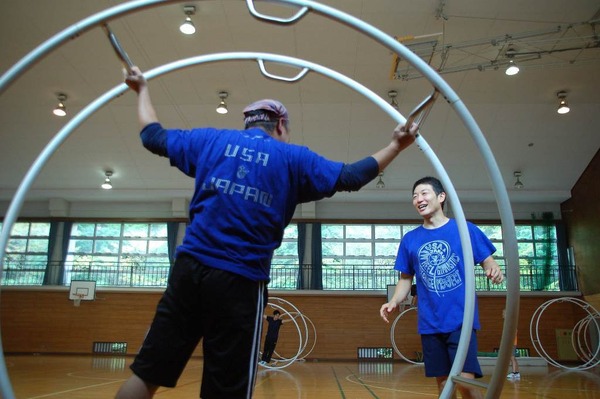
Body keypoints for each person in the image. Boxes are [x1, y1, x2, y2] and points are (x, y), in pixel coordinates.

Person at [116, 66, 418, 399]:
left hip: (188, 271)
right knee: (226, 391)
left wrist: (141, 89)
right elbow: (350, 177)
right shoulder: (293, 158)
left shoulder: (210, 141)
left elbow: (152, 136)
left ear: (247, 122)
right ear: (281, 126)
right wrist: (396, 145)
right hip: (239, 281)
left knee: (147, 374)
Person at [380, 176, 504, 399]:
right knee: (445, 384)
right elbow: (406, 278)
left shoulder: (465, 229)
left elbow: (487, 259)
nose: (419, 199)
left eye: (424, 193)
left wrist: (492, 266)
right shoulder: (410, 239)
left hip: (460, 319)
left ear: (441, 197)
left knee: (465, 381)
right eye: (415, 196)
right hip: (430, 323)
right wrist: (394, 301)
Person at [503, 309, 521, 380]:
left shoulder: (510, 322)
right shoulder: (508, 322)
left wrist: (510, 339)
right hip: (511, 342)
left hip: (512, 343)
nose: (503, 314)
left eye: (504, 313)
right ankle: (517, 373)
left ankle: (513, 373)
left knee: (512, 358)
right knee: (513, 358)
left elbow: (515, 331)